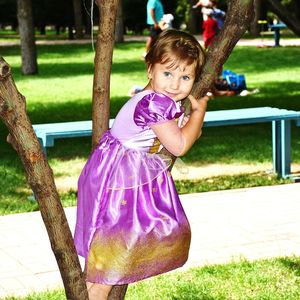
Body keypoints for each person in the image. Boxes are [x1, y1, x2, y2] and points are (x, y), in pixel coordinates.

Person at [74, 29, 208, 300]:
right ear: (150, 69)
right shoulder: (154, 104)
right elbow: (179, 145)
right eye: (167, 73)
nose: (175, 84)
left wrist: (187, 124)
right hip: (121, 185)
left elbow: (171, 134)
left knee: (100, 270)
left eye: (185, 77)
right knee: (107, 272)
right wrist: (199, 115)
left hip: (109, 176)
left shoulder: (149, 98)